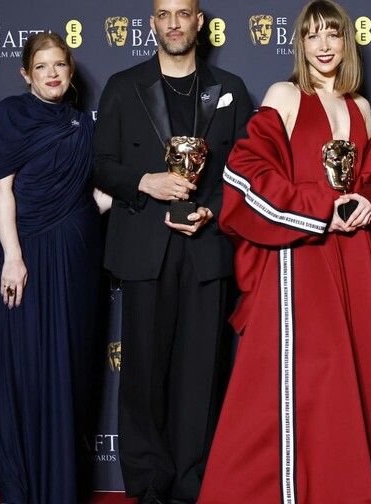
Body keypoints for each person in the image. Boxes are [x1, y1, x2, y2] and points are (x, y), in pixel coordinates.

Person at [198, 1, 371, 502]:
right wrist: (323, 208)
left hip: (354, 258)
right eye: (313, 35)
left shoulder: (359, 106)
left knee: (351, 382)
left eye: (333, 35)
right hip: (302, 256)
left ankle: (348, 487)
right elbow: (247, 172)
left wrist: (365, 201)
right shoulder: (285, 95)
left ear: (346, 43)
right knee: (301, 382)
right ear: (301, 43)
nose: (323, 45)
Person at [92, 0, 252, 502]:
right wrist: (146, 181)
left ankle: (194, 486)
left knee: (201, 374)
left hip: (207, 251)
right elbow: (100, 165)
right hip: (145, 248)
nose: (174, 23)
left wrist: (213, 210)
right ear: (153, 23)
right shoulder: (123, 86)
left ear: (199, 22)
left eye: (183, 13)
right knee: (142, 376)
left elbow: (246, 170)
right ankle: (148, 487)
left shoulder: (230, 89)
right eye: (164, 14)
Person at [0, 32, 102, 504]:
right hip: (21, 253)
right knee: (24, 365)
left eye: (60, 66)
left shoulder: (81, 125)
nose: (52, 74)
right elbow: (0, 190)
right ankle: (24, 488)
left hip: (72, 260)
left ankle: (61, 488)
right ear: (26, 73)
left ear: (70, 73)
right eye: (42, 66)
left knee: (67, 367)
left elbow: (87, 197)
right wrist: (13, 257)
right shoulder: (10, 115)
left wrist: (145, 190)